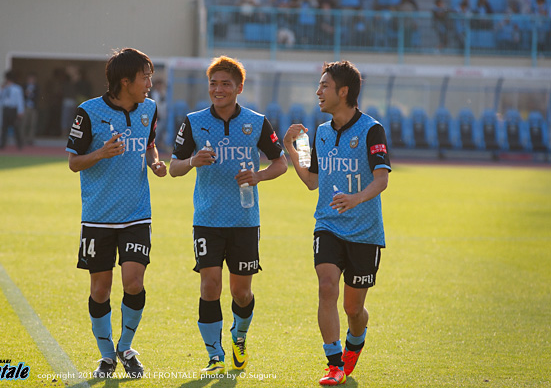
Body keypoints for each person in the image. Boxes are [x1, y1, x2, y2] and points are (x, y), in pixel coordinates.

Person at [169, 55, 287, 374]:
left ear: (239, 88)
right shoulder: (193, 121)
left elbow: (281, 163)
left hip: (245, 220)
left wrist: (258, 175)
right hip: (206, 219)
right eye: (213, 83)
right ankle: (214, 356)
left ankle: (240, 336)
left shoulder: (257, 121)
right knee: (210, 286)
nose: (218, 89)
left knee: (241, 291)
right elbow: (173, 168)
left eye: (225, 84)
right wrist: (193, 161)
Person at [284, 61, 391, 386]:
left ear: (343, 91)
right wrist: (291, 148)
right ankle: (333, 364)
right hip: (328, 225)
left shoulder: (372, 129)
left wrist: (355, 198)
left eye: (324, 86)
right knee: (326, 286)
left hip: (365, 232)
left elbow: (382, 180)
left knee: (353, 309)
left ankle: (354, 344)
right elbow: (312, 180)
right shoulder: (321, 132)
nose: (318, 92)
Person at [65, 48, 167, 379]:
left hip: (138, 213)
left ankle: (125, 346)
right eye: (145, 77)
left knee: (134, 282)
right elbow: (73, 163)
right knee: (100, 290)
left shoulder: (149, 108)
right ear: (125, 81)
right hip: (98, 216)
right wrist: (102, 152)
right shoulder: (88, 111)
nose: (150, 83)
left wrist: (154, 162)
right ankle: (107, 356)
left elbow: (149, 143)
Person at [0, 70, 25, 150]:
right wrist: (1, 90)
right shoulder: (4, 88)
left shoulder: (17, 88)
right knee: (4, 128)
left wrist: (20, 111)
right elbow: (0, 98)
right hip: (6, 108)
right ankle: (2, 144)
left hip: (13, 109)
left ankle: (19, 145)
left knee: (16, 128)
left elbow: (20, 100)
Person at [22, 72, 39, 146]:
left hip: (33, 107)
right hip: (26, 107)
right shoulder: (24, 87)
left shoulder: (37, 87)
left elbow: (38, 96)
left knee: (32, 124)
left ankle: (30, 139)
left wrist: (32, 95)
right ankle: (23, 139)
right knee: (24, 123)